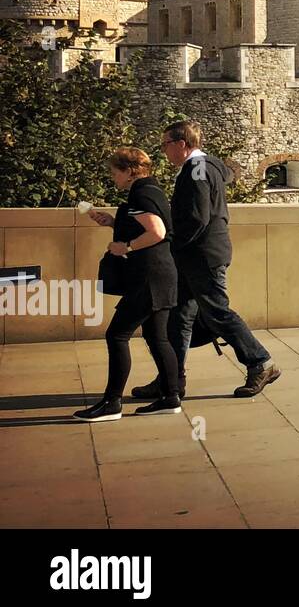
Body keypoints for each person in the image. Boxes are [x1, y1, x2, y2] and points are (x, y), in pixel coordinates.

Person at [133, 121, 279, 401]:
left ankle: (260, 363)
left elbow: (198, 217)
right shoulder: (200, 168)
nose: (164, 152)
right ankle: (170, 380)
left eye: (166, 145)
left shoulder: (197, 169)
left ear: (181, 144)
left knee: (217, 312)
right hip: (196, 255)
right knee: (178, 318)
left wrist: (172, 242)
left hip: (202, 255)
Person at [75, 148, 182, 421]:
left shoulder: (140, 194)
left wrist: (126, 245)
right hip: (162, 274)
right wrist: (113, 222)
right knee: (157, 337)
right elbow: (151, 226)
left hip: (148, 277)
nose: (113, 178)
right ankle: (171, 397)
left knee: (117, 335)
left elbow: (156, 232)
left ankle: (112, 403)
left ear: (128, 170)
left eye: (115, 172)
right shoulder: (153, 191)